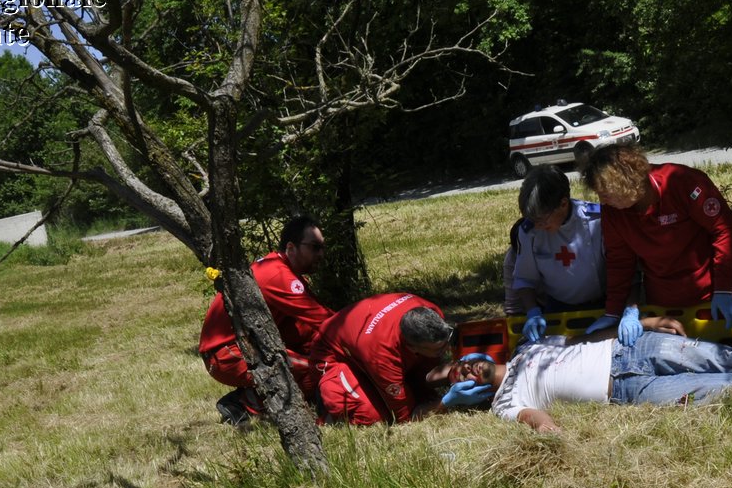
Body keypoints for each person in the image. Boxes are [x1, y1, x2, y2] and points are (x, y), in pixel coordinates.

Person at [444, 320, 732, 433]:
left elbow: (583, 336)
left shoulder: (528, 347)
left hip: (630, 348)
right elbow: (535, 420)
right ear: (468, 392)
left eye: (461, 362)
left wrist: (644, 319)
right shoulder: (502, 404)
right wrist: (556, 433)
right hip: (630, 390)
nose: (465, 368)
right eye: (459, 377)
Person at [582, 143, 732, 347]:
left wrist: (723, 288)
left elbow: (723, 230)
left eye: (606, 194)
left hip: (713, 289)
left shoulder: (684, 183)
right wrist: (614, 312)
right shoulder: (613, 211)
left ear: (625, 183)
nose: (602, 201)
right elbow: (619, 261)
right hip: (663, 298)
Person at [199, 215, 336, 425]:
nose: (321, 254)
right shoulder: (278, 276)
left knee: (312, 345)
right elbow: (323, 319)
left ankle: (257, 395)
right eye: (315, 247)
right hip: (227, 355)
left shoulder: (280, 267)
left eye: (322, 247)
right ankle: (243, 403)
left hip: (240, 348)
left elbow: (312, 323)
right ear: (291, 248)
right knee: (316, 369)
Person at [311, 292, 492, 425]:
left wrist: (456, 368)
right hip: (334, 355)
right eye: (438, 349)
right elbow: (405, 417)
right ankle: (329, 412)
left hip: (364, 344)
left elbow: (428, 371)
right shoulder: (382, 354)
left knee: (423, 391)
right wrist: (446, 402)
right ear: (412, 347)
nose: (446, 350)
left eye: (448, 341)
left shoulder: (431, 311)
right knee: (375, 416)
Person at [504, 167, 606, 343]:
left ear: (563, 204)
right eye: (533, 220)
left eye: (542, 220)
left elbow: (622, 266)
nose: (537, 226)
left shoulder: (597, 220)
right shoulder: (528, 232)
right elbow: (524, 278)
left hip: (603, 304)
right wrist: (533, 312)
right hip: (558, 310)